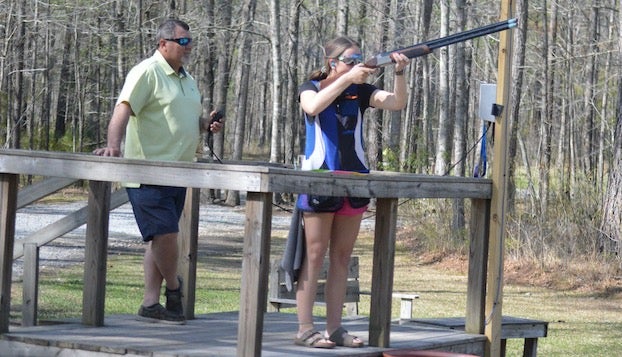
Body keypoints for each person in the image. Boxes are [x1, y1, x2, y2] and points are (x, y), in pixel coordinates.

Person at [93, 19, 222, 324]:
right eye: (183, 42)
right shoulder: (147, 71)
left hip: (180, 172)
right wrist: (113, 145)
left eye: (190, 42)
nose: (188, 47)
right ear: (163, 43)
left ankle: (151, 303)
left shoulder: (187, 78)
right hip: (149, 171)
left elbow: (186, 117)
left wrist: (206, 123)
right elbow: (123, 107)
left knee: (158, 239)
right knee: (166, 235)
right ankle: (174, 289)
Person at [293, 37, 410, 348]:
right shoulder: (312, 86)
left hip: (354, 181)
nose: (356, 63)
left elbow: (397, 103)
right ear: (333, 62)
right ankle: (305, 327)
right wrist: (346, 78)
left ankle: (335, 328)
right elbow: (313, 106)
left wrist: (399, 73)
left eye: (359, 58)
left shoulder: (361, 92)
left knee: (342, 257)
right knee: (314, 255)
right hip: (319, 179)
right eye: (350, 59)